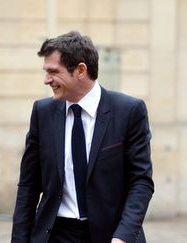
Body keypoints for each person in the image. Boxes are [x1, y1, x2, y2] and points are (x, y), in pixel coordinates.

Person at [11, 31, 154, 243]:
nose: (46, 80)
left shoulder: (129, 111)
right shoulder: (42, 113)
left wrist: (123, 236)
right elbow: (28, 186)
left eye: (53, 72)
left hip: (111, 235)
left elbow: (141, 181)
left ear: (80, 70)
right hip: (55, 234)